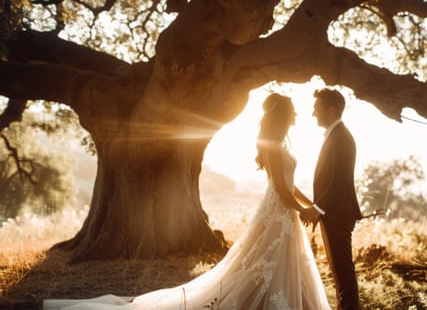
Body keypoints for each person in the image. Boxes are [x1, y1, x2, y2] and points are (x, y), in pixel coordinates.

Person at [43, 93, 331, 310]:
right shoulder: (270, 147)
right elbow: (280, 188)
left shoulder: (279, 146)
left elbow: (290, 186)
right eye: (294, 113)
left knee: (278, 262)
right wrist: (302, 209)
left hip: (285, 213)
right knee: (263, 262)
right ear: (283, 116)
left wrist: (311, 204)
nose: (297, 117)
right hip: (277, 214)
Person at [300, 88, 362, 310]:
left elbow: (339, 181)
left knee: (342, 268)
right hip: (333, 213)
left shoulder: (342, 138)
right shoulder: (336, 136)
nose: (313, 113)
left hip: (338, 213)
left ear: (331, 110)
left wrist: (316, 208)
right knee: (339, 269)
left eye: (317, 109)